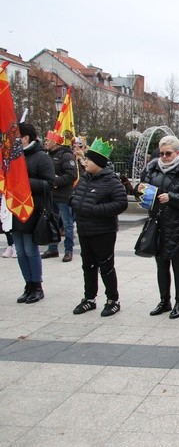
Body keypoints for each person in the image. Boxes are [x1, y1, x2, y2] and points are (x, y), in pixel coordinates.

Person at [136, 135, 179, 319]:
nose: (164, 156)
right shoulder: (152, 169)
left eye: (168, 153)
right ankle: (164, 301)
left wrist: (171, 197)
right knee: (161, 265)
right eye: (161, 153)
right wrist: (138, 190)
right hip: (158, 222)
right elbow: (142, 194)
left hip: (178, 224)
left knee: (178, 267)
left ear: (177, 153)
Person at [69, 138, 128, 316]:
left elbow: (121, 203)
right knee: (88, 265)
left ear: (99, 163)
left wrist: (94, 209)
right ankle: (89, 298)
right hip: (85, 229)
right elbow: (78, 197)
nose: (85, 162)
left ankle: (112, 299)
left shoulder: (111, 181)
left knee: (106, 266)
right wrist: (74, 202)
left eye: (89, 160)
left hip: (103, 231)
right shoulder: (85, 178)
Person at [13, 123, 55, 304]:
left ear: (25, 138)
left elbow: (49, 183)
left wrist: (24, 181)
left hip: (33, 210)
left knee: (30, 249)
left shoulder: (41, 157)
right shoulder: (13, 157)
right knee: (20, 251)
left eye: (16, 136)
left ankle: (37, 285)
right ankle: (28, 284)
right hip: (14, 208)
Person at [41, 131, 78, 262]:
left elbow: (72, 174)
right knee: (52, 221)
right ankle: (52, 249)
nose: (45, 142)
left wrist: (56, 182)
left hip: (64, 195)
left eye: (48, 140)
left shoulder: (66, 155)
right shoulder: (47, 155)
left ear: (55, 142)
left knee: (67, 223)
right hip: (51, 195)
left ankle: (68, 250)